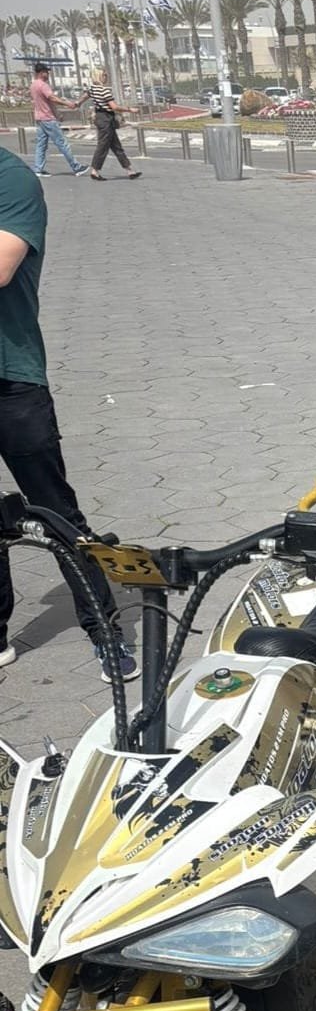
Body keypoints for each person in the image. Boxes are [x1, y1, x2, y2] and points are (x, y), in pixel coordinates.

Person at [0, 144, 136, 677]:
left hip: (11, 378)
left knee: (54, 511)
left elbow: (2, 266)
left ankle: (105, 630)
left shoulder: (11, 180)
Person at [80, 75, 141, 182]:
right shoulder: (104, 91)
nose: (106, 77)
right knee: (103, 145)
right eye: (103, 75)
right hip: (106, 119)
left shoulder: (93, 89)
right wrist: (130, 109)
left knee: (116, 146)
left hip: (101, 117)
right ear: (98, 77)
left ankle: (130, 170)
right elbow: (114, 107)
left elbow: (85, 96)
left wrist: (77, 103)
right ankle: (94, 171)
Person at [29, 64, 85, 179]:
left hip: (40, 118)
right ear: (41, 73)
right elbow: (52, 98)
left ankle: (38, 169)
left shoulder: (33, 85)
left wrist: (57, 114)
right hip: (48, 119)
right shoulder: (43, 85)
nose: (48, 74)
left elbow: (47, 102)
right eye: (46, 72)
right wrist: (68, 104)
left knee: (41, 145)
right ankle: (76, 167)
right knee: (62, 143)